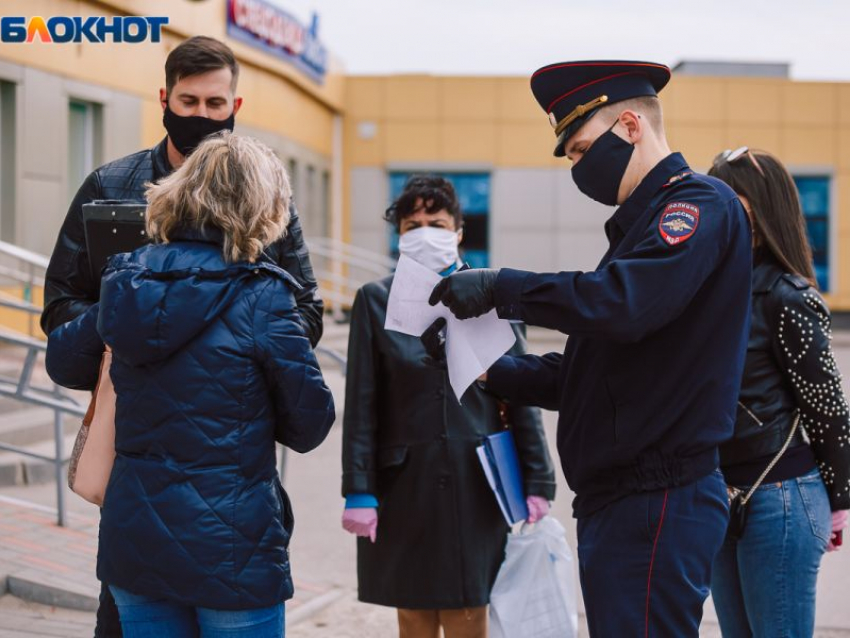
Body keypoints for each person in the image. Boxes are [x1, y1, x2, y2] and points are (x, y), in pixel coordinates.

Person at [429, 61, 753, 636]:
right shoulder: (640, 229)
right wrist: (489, 372)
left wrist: (502, 286)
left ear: (630, 125)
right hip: (624, 501)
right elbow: (595, 370)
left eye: (580, 149)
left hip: (657, 497)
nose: (577, 168)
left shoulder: (698, 206)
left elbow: (621, 304)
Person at [40, 35, 324, 637]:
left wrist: (244, 344)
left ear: (235, 106)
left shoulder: (263, 195)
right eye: (188, 102)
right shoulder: (110, 185)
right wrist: (123, 331)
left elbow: (307, 309)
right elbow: (61, 309)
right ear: (164, 98)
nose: (200, 116)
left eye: (214, 104)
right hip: (134, 444)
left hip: (226, 444)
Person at [341, 175, 556, 638]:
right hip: (403, 486)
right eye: (411, 223)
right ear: (398, 234)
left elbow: (522, 394)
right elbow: (362, 404)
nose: (424, 230)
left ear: (457, 230)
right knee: (414, 619)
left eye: (435, 222)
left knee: (468, 615)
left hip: (475, 483)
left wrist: (538, 479)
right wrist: (357, 488)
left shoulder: (490, 294)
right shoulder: (374, 300)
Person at [706, 147, 850, 637]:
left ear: (762, 209)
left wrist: (839, 501)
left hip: (781, 500)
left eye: (731, 201)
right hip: (717, 496)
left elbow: (827, 408)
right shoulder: (705, 288)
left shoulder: (788, 297)